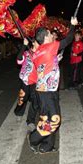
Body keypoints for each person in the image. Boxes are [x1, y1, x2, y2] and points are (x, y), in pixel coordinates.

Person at [27, 16, 77, 154]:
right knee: (55, 119)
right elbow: (67, 40)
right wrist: (73, 26)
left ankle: (47, 145)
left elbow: (47, 64)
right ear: (45, 38)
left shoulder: (37, 52)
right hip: (47, 91)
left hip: (46, 90)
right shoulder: (49, 47)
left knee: (47, 118)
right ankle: (34, 138)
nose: (52, 36)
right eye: (50, 34)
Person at [13, 38, 38, 132]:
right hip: (26, 81)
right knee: (22, 99)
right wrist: (24, 45)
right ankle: (19, 112)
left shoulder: (41, 53)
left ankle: (30, 121)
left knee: (35, 102)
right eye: (36, 42)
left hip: (37, 82)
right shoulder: (27, 53)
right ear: (33, 43)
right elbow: (19, 59)